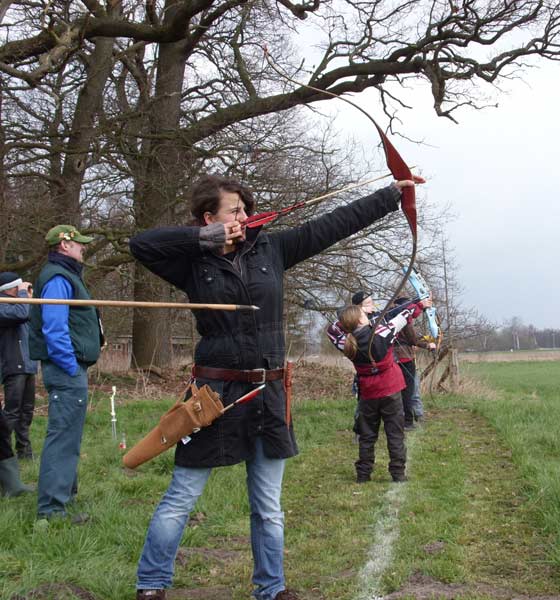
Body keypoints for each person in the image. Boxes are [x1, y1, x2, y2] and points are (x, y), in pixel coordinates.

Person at [129, 172, 423, 600]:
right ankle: (151, 584)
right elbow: (142, 244)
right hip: (213, 395)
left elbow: (333, 224)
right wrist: (208, 238)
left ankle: (271, 588)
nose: (245, 216)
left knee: (268, 505)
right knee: (182, 496)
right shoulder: (191, 261)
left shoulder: (271, 248)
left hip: (267, 392)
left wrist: (391, 196)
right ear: (210, 217)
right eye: (234, 211)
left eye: (246, 209)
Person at [28, 225, 102, 523]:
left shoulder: (65, 275)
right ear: (64, 245)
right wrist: (70, 366)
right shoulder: (58, 278)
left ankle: (63, 499)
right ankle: (52, 510)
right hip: (65, 368)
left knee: (69, 436)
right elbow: (54, 329)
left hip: (69, 368)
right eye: (79, 244)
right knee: (62, 437)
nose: (83, 248)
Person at [327, 299, 431, 483]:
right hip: (390, 389)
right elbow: (402, 317)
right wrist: (420, 305)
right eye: (363, 315)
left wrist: (348, 317)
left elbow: (332, 329)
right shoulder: (382, 333)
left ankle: (363, 474)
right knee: (395, 433)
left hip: (368, 392)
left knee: (367, 435)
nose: (367, 315)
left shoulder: (347, 343)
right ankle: (398, 474)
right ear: (359, 321)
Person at [0, 272, 38, 459]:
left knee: (26, 412)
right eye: (20, 288)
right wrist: (24, 296)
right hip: (13, 365)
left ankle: (25, 452)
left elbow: (33, 317)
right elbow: (21, 314)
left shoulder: (22, 304)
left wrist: (27, 297)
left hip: (28, 365)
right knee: (12, 412)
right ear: (13, 288)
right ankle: (5, 453)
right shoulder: (2, 305)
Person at [392, 297, 436, 429]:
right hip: (404, 359)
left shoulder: (391, 319)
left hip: (394, 359)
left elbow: (413, 336)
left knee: (400, 391)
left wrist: (424, 338)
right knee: (409, 391)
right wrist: (429, 345)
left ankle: (404, 418)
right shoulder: (404, 320)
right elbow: (412, 339)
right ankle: (408, 421)